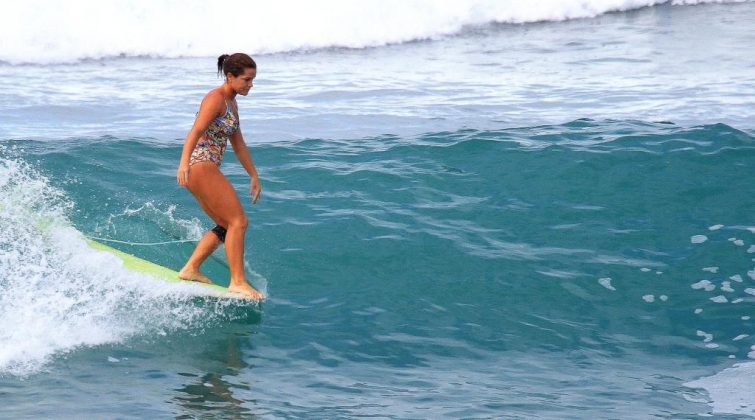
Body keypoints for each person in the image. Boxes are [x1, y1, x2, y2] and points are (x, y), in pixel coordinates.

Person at [176, 53, 264, 300]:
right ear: (230, 76)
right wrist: (183, 164)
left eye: (253, 80)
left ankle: (191, 268)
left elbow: (238, 145)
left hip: (205, 167)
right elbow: (196, 131)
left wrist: (254, 175)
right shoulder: (215, 99)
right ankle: (237, 282)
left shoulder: (232, 104)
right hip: (200, 165)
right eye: (246, 79)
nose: (251, 85)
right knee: (239, 222)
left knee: (227, 226)